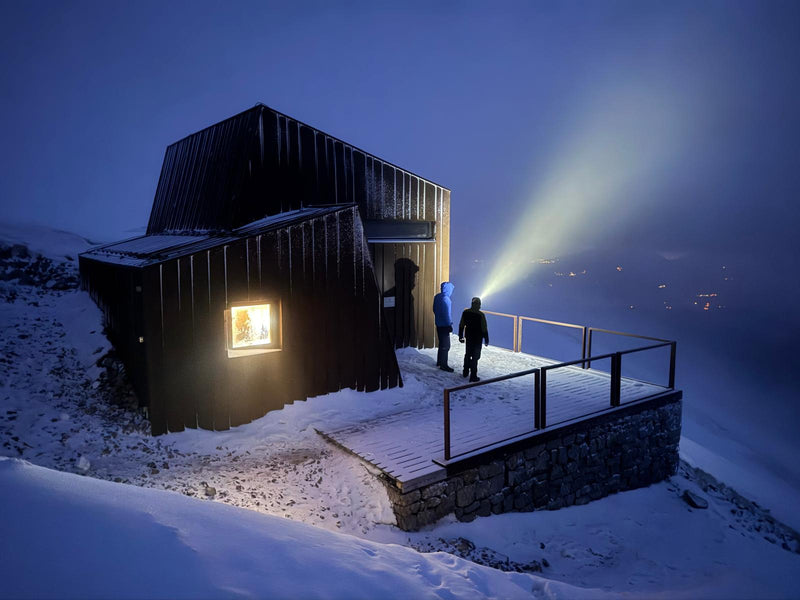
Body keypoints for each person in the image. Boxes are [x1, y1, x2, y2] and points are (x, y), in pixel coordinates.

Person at [458, 296, 489, 382]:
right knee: (476, 356)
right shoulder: (481, 315)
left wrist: (460, 336)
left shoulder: (466, 312)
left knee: (468, 353)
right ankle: (473, 375)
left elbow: (461, 325)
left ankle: (465, 371)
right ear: (479, 305)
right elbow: (484, 328)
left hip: (469, 337)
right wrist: (486, 339)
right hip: (478, 339)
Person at [432, 281, 455, 371]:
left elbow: (434, 309)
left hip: (438, 323)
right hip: (444, 325)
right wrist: (449, 324)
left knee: (441, 343)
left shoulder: (437, 296)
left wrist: (438, 317)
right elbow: (447, 314)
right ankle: (443, 365)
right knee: (446, 345)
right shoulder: (446, 299)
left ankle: (439, 362)